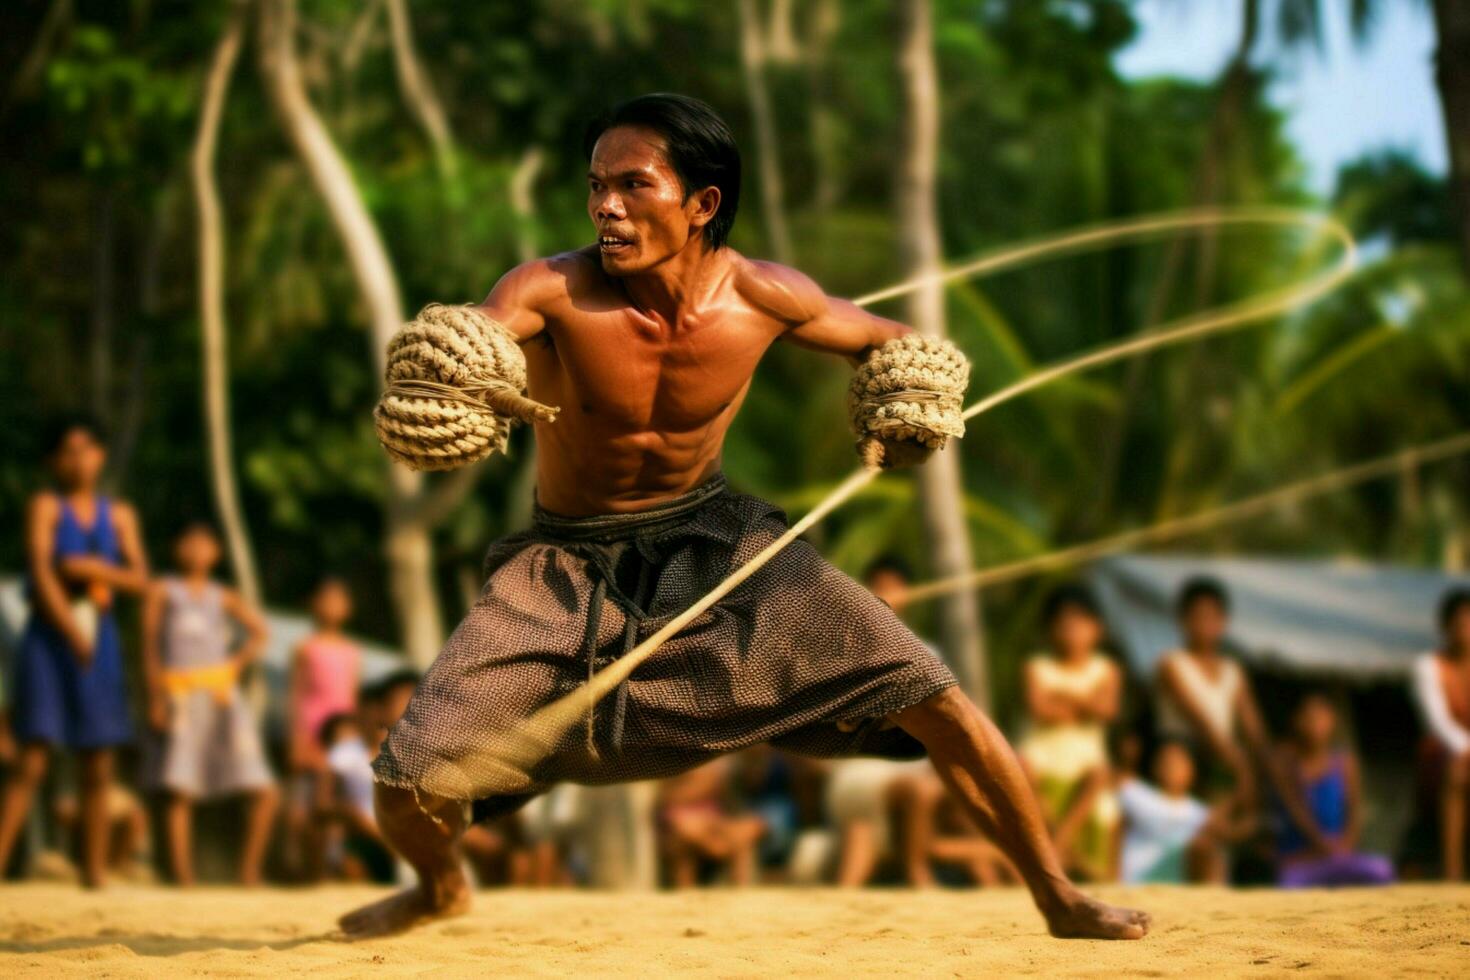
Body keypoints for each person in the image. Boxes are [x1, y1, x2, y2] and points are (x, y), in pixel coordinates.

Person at [345, 93, 1147, 940]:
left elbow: (895, 340)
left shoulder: (767, 296)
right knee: (407, 780)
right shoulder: (550, 288)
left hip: (719, 541)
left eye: (632, 185)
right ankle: (439, 887)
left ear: (702, 205)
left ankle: (1059, 895)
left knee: (930, 694)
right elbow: (484, 327)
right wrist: (451, 367)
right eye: (595, 186)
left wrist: (906, 409)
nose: (605, 206)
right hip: (564, 562)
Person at [0, 416, 149, 888]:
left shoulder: (118, 515)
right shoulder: (46, 505)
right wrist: (68, 627)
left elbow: (140, 578)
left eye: (87, 448)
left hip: (99, 639)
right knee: (33, 759)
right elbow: (42, 571)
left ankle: (94, 870)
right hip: (48, 636)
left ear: (101, 454)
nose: (79, 458)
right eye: (68, 449)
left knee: (98, 760)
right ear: (52, 460)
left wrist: (91, 567)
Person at [142, 523, 278, 886]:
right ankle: (183, 876)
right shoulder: (162, 590)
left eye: (205, 543)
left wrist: (235, 663)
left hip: (221, 697)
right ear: (176, 549)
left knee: (263, 788)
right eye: (189, 542)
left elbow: (260, 631)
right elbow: (150, 648)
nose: (197, 550)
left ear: (216, 552)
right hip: (180, 696)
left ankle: (249, 872)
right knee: (179, 786)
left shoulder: (224, 595)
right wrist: (155, 698)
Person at [1154, 577, 1325, 853]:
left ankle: (1305, 838)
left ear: (1223, 622)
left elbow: (1254, 729)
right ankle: (1222, 832)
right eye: (1197, 617)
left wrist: (1268, 762)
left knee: (1278, 762)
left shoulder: (1232, 671)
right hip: (1183, 747)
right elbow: (1201, 723)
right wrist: (1242, 767)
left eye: (1211, 617)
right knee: (1194, 765)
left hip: (1223, 753)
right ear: (1183, 621)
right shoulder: (1171, 663)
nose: (1204, 625)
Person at [1018, 584, 1121, 881]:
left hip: (1086, 759)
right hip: (1042, 754)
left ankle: (1057, 848)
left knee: (1099, 775)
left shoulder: (1107, 669)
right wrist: (1085, 702)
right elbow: (1040, 710)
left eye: (1080, 622)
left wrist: (1061, 697)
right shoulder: (1036, 666)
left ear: (1096, 629)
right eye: (1063, 623)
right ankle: (1063, 854)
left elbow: (1107, 710)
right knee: (1022, 767)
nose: (1071, 630)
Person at [1272, 692, 1393, 888]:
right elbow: (1297, 812)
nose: (1315, 724)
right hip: (1301, 859)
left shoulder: (1345, 763)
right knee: (1289, 883)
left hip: (1339, 855)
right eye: (1309, 717)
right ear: (1296, 721)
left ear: (1332, 720)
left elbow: (1354, 811)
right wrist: (1323, 846)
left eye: (1321, 716)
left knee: (1382, 870)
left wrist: (1345, 845)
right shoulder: (1285, 763)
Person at [285, 576, 361, 881]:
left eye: (339, 599)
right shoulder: (305, 648)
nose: (333, 605)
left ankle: (331, 863)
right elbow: (296, 694)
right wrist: (297, 737)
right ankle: (296, 863)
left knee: (337, 798)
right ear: (313, 604)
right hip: (312, 730)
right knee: (304, 798)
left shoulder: (352, 651)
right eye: (326, 598)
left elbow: (351, 699)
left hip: (341, 735)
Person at [1404, 588, 1470, 880]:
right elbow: (1437, 723)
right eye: (1460, 622)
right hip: (1442, 759)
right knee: (1458, 771)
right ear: (1445, 627)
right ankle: (1452, 872)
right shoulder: (1427, 667)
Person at [1117, 740, 1247, 884]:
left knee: (1206, 849)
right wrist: (1127, 760)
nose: (1171, 767)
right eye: (1166, 761)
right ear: (1155, 766)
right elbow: (1115, 780)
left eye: (1178, 762)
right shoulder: (1139, 794)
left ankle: (1214, 899)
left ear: (1192, 770)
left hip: (1179, 878)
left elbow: (1228, 830)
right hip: (1138, 878)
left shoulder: (1199, 812)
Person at [657, 758, 767, 887]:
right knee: (686, 830)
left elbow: (733, 804)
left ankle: (741, 893)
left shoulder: (719, 764)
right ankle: (686, 892)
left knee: (748, 829)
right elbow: (664, 800)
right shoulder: (672, 763)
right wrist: (703, 783)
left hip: (713, 823)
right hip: (683, 823)